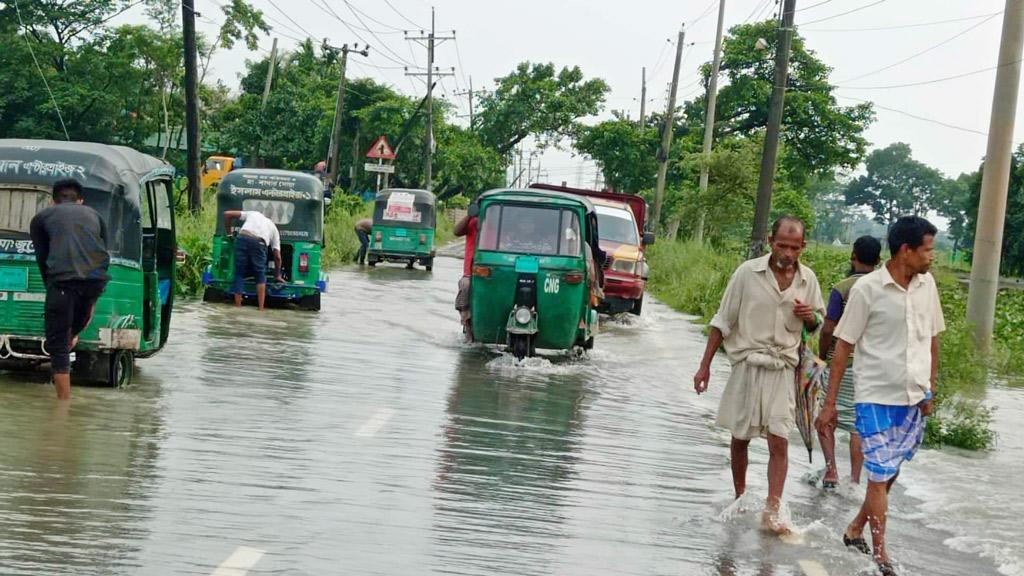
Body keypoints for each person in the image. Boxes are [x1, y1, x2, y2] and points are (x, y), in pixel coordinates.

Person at [816, 216, 944, 576]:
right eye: (928, 249)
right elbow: (843, 346)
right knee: (878, 473)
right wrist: (829, 403)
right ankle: (880, 553)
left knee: (890, 472)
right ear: (906, 251)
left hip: (914, 396)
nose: (932, 257)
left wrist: (931, 386)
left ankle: (855, 527)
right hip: (874, 395)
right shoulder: (868, 289)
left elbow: (932, 339)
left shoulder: (927, 285)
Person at [692, 216, 825, 534]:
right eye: (782, 245)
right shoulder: (747, 274)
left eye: (795, 247)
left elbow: (818, 323)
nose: (788, 253)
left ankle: (773, 509)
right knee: (740, 437)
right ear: (770, 241)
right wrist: (705, 365)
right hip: (748, 365)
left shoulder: (808, 281)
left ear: (803, 247)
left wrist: (810, 318)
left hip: (783, 370)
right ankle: (739, 497)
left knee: (780, 439)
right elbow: (722, 321)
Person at [29, 179, 111, 401]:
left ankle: (63, 406)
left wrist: (53, 290)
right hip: (95, 281)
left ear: (52, 200)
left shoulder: (41, 219)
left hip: (62, 282)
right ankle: (73, 335)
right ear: (81, 200)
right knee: (72, 329)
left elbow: (43, 259)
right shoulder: (95, 216)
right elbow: (104, 250)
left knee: (58, 346)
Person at [817, 235, 883, 488]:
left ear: (853, 256)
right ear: (878, 260)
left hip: (841, 363)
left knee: (826, 415)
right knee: (859, 424)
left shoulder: (842, 288)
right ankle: (855, 479)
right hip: (871, 366)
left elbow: (828, 329)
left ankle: (831, 470)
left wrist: (823, 356)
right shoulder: (882, 289)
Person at [223, 210, 283, 311]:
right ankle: (261, 309)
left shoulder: (253, 213)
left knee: (239, 273)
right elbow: (277, 257)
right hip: (259, 243)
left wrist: (229, 234)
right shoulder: (274, 228)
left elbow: (227, 214)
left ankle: (237, 307)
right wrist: (277, 275)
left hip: (243, 238)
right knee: (260, 275)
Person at [453, 202, 479, 341]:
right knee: (465, 286)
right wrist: (469, 215)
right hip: (471, 272)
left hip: (493, 270)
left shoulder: (500, 223)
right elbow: (456, 231)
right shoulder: (472, 222)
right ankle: (467, 325)